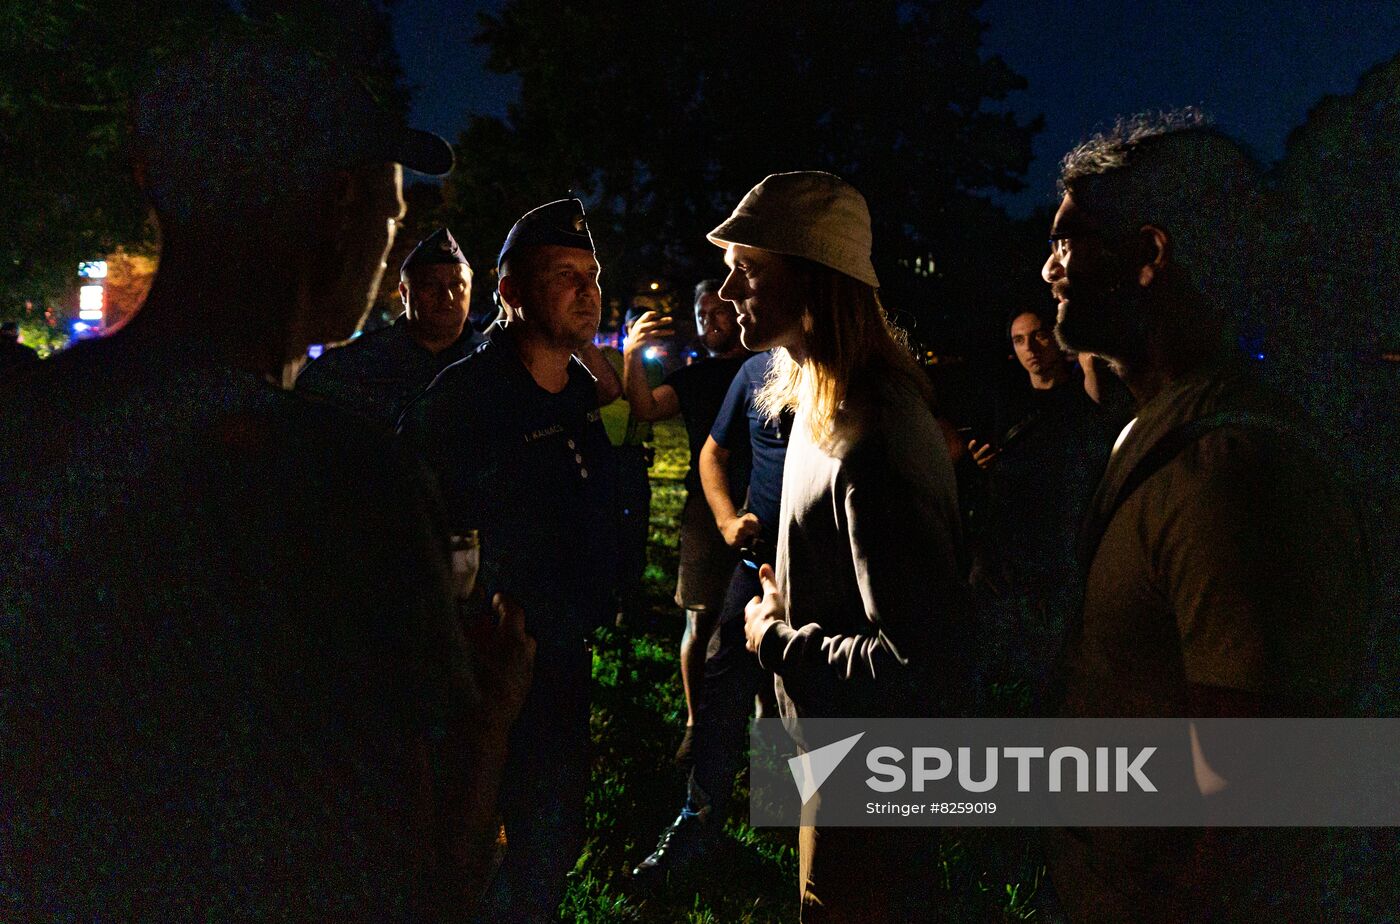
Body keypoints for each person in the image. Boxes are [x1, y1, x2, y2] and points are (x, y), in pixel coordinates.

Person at [0, 33, 533, 920]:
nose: (391, 245)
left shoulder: (29, 423)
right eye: (393, 214)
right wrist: (494, 713)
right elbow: (430, 859)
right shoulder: (346, 483)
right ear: (338, 209)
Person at [1041, 110, 1374, 920]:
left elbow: (1253, 794)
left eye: (1067, 241)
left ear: (1149, 255)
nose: (1049, 269)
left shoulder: (1223, 471)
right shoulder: (1157, 432)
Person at [715, 171, 969, 921]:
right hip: (823, 750)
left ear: (814, 279)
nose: (726, 292)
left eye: (748, 269)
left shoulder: (876, 433)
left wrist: (773, 638)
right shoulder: (814, 398)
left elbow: (919, 662)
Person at [398, 197, 618, 922]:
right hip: (482, 677)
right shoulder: (462, 402)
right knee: (461, 863)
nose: (587, 291)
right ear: (511, 291)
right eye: (564, 275)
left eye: (592, 275)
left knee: (549, 844)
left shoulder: (579, 392)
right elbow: (409, 538)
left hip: (562, 659)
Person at [631, 347, 788, 888]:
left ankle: (797, 810)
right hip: (756, 563)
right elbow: (712, 452)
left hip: (823, 569)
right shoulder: (755, 371)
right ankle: (697, 822)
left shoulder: (848, 370)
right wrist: (725, 519)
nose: (736, 304)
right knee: (722, 685)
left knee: (805, 687)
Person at [622, 279, 750, 753]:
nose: (708, 319)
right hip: (703, 511)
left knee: (766, 620)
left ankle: (763, 724)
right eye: (702, 313)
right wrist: (632, 355)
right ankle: (697, 724)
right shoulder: (694, 377)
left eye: (718, 310)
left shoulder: (767, 368)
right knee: (700, 618)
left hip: (763, 507)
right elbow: (645, 407)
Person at [966, 306, 1117, 705]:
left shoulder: (1080, 395)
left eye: (1038, 336)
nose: (1030, 348)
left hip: (1060, 545)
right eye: (1019, 340)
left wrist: (1088, 366)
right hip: (1007, 544)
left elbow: (1099, 436)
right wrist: (978, 464)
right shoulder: (1006, 400)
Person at [295, 226, 481, 429]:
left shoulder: (492, 361)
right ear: (404, 292)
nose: (447, 296)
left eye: (457, 285)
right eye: (430, 285)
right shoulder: (354, 363)